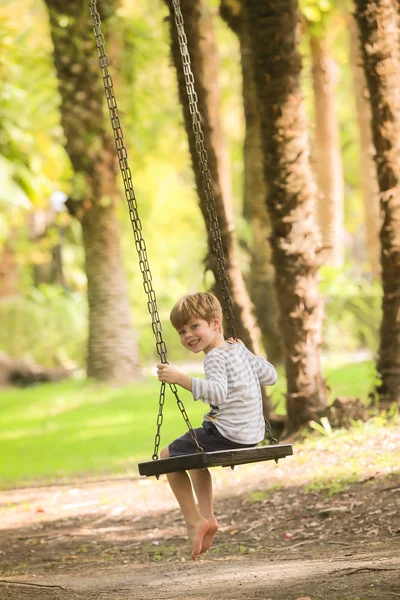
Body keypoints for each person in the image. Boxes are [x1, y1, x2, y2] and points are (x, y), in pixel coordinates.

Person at [157, 292, 277, 560]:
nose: (188, 335)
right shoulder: (236, 350)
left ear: (215, 323)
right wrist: (246, 351)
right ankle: (208, 516)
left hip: (227, 432)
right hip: (251, 434)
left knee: (167, 457)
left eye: (194, 326)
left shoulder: (214, 357)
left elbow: (217, 394)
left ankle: (194, 520)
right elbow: (271, 375)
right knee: (195, 456)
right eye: (181, 331)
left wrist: (180, 378)